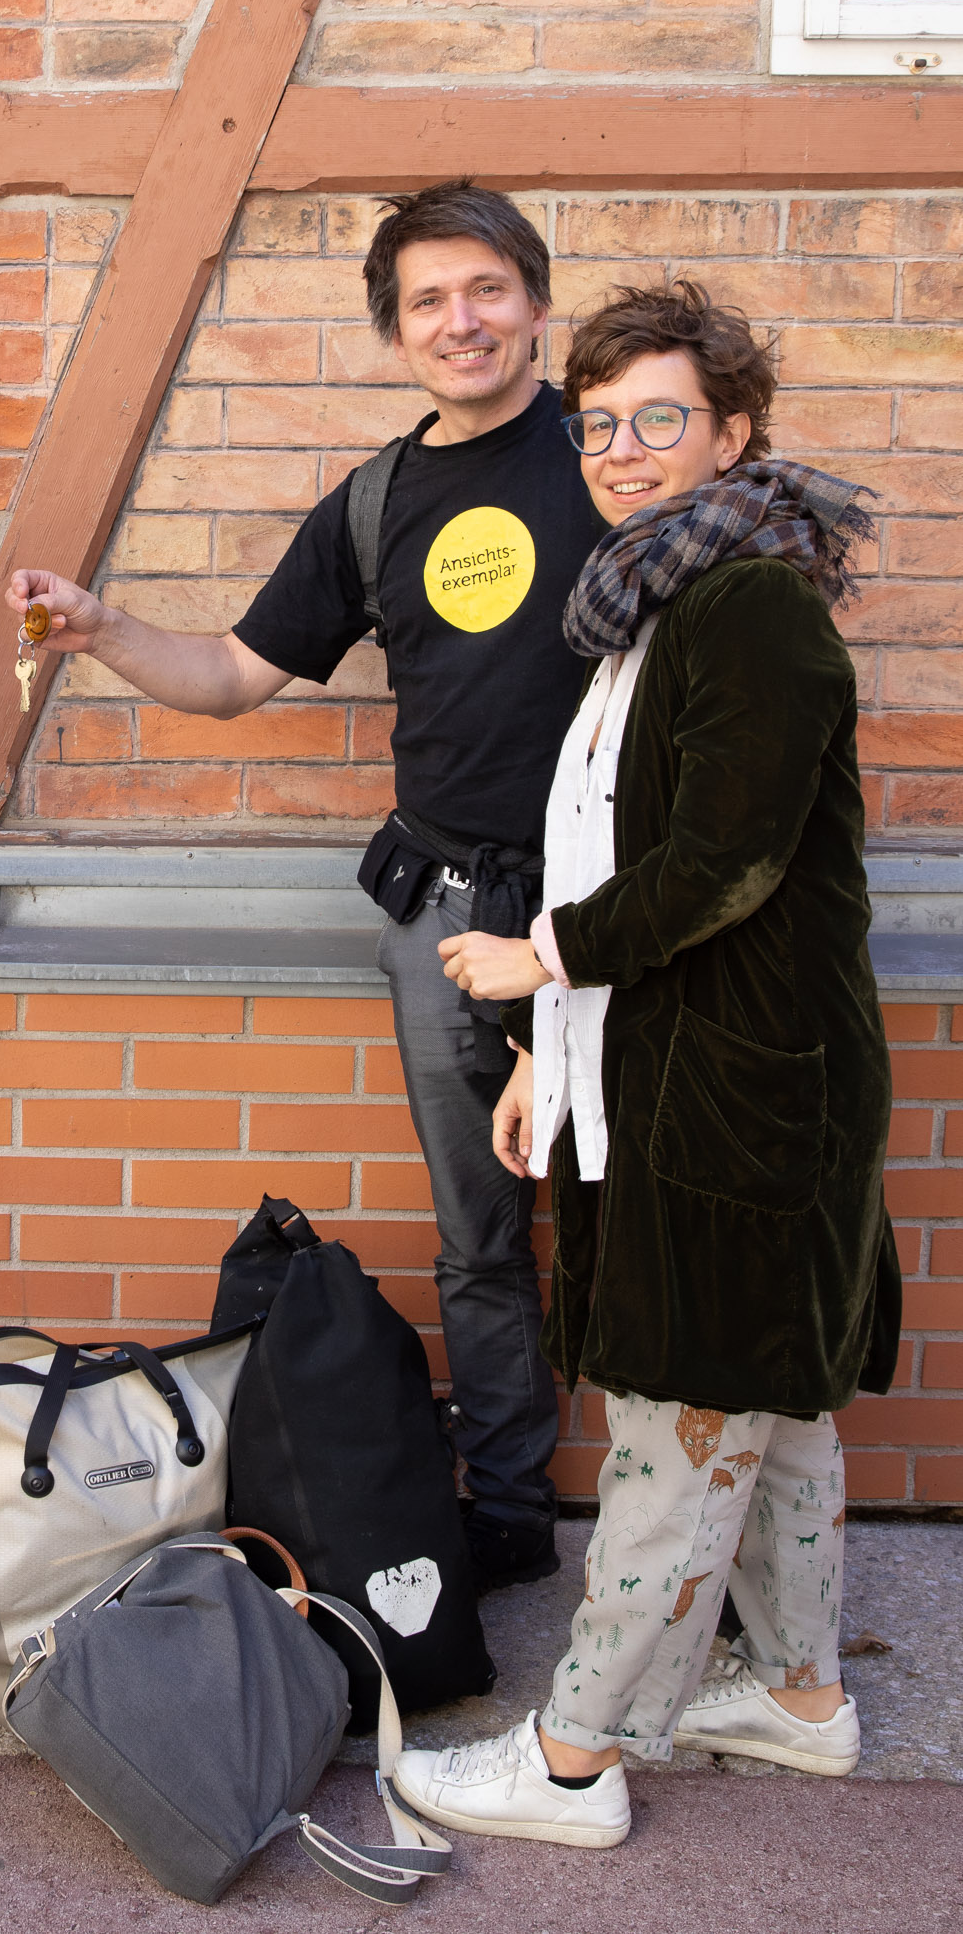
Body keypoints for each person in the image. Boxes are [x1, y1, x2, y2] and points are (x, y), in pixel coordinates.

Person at [8, 181, 605, 1589]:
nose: (462, 322)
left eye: (486, 290)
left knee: (638, 1225)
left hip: (606, 920)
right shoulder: (380, 498)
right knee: (482, 1238)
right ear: (396, 335)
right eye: (428, 304)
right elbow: (231, 673)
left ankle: (665, 1520)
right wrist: (104, 630)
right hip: (447, 922)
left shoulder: (612, 454)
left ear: (533, 296)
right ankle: (512, 1503)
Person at [390, 281, 901, 1848]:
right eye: (600, 422)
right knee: (779, 1400)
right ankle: (802, 1697)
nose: (620, 448)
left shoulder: (749, 603)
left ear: (734, 431)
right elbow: (605, 843)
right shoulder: (651, 604)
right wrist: (557, 1046)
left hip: (745, 1086)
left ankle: (572, 1761)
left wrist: (537, 962)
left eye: (658, 417)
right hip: (679, 1062)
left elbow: (720, 861)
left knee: (682, 1407)